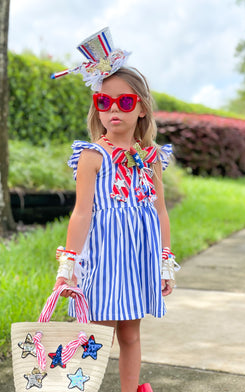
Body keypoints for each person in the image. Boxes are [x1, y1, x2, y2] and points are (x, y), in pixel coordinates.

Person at [52, 28, 179, 392]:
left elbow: (159, 210)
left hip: (138, 258)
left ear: (141, 108)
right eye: (103, 103)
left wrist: (164, 260)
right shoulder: (93, 155)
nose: (113, 110)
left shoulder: (151, 157)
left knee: (131, 332)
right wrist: (69, 264)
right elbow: (82, 213)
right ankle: (79, 387)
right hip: (105, 259)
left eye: (124, 102)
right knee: (96, 334)